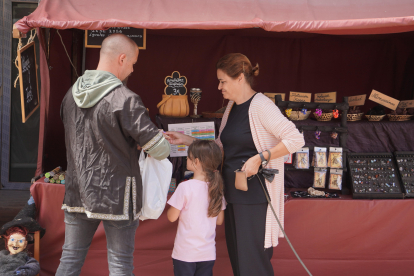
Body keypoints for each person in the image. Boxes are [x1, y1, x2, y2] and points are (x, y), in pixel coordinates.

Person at [166, 53, 305, 276]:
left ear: (240, 78)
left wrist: (261, 157)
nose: (219, 87)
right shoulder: (232, 106)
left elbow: (295, 139)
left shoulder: (261, 105)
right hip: (233, 195)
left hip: (254, 197)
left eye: (223, 81)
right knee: (240, 262)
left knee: (252, 263)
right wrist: (187, 140)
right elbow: (221, 149)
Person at [56, 34, 170, 276]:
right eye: (133, 62)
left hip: (77, 191)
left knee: (70, 260)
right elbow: (160, 149)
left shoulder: (69, 96)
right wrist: (147, 142)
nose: (132, 69)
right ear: (122, 58)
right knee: (120, 265)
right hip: (119, 196)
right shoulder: (126, 99)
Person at [167, 140, 225, 276]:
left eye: (188, 157)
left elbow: (171, 217)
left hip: (185, 253)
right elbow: (219, 221)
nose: (186, 159)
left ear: (196, 161)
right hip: (207, 253)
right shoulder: (217, 189)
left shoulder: (185, 187)